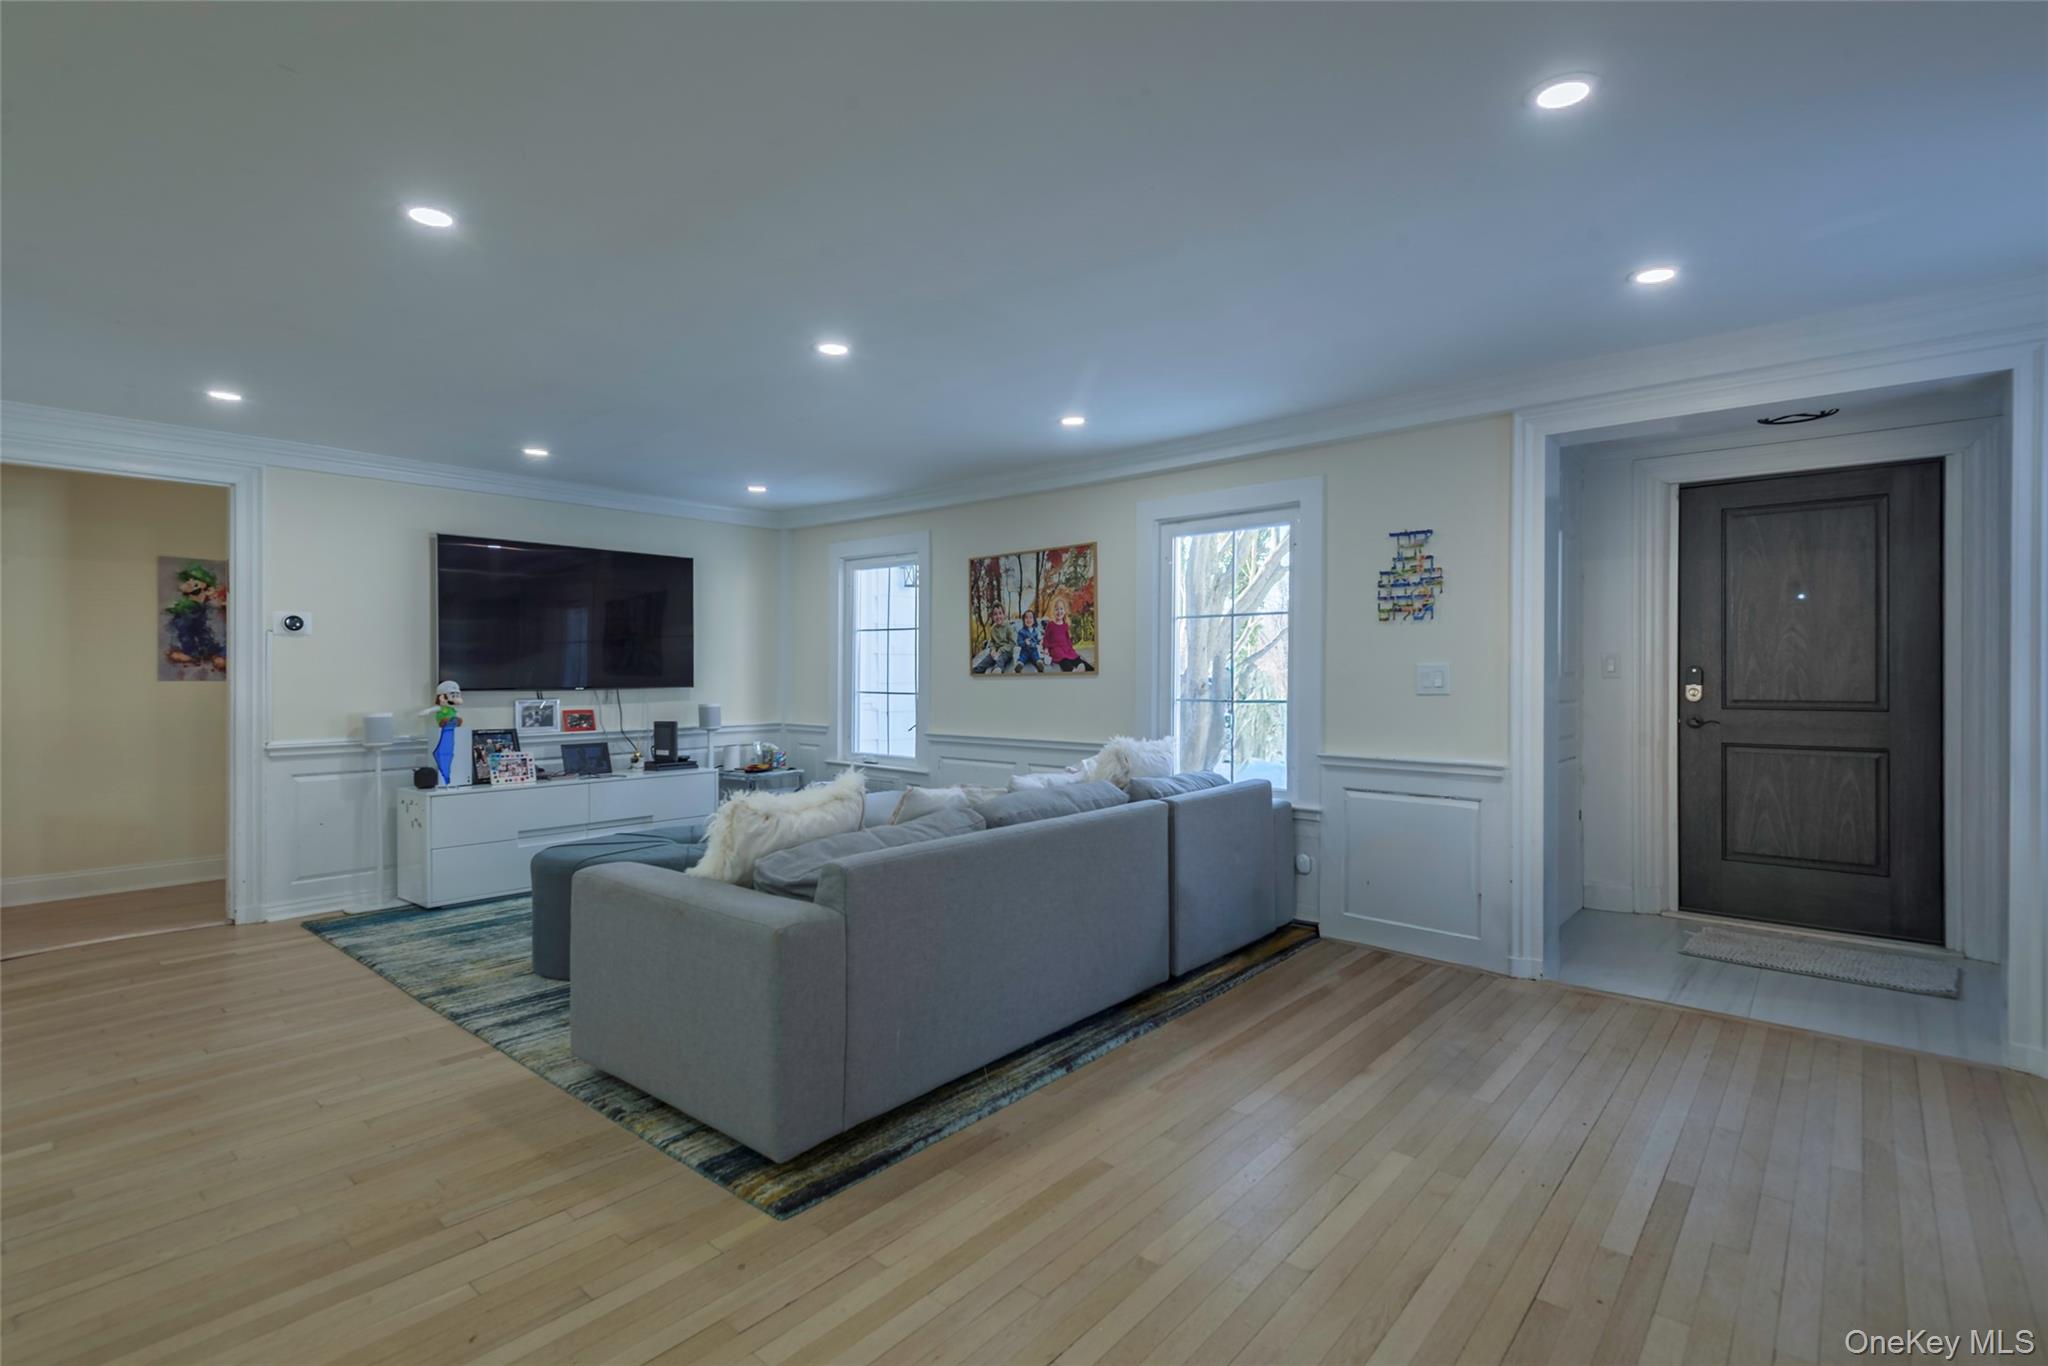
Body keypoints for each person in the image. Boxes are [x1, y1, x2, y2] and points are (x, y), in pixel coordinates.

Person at [1042, 594, 1094, 672]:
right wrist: (1046, 649)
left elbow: (1067, 639)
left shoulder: (1065, 625)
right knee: (1063, 658)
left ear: (1065, 611)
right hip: (1056, 649)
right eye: (1056, 609)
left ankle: (1083, 666)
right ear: (1053, 611)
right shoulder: (1051, 624)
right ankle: (1073, 670)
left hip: (1066, 648)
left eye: (1061, 609)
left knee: (1074, 657)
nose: (1059, 611)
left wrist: (1072, 650)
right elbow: (1046, 638)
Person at [971, 605, 1018, 674]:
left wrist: (1000, 651)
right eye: (995, 614)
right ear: (992, 617)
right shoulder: (992, 629)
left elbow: (1012, 643)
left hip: (1007, 652)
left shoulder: (1008, 627)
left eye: (1000, 613)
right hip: (995, 652)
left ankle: (997, 669)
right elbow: (992, 642)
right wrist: (992, 650)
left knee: (1001, 659)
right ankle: (974, 671)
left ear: (1004, 615)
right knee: (986, 660)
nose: (998, 616)